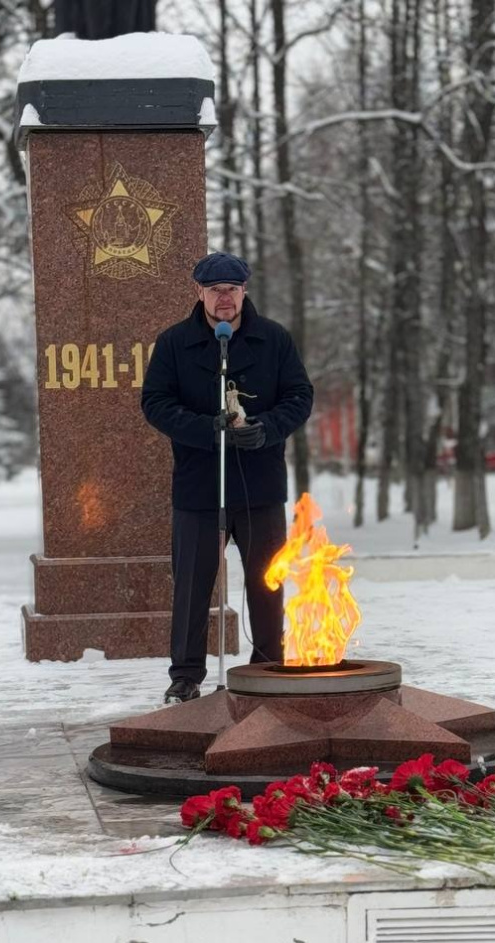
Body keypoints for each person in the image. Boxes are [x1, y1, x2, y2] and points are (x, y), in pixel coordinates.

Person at [141, 252, 313, 703]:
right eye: (214, 290)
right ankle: (186, 674)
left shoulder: (273, 339)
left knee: (266, 581)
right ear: (198, 292)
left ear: (244, 291)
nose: (224, 298)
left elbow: (299, 395)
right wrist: (204, 429)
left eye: (231, 289)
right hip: (200, 486)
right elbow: (155, 402)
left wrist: (268, 429)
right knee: (193, 584)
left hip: (259, 485)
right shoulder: (175, 343)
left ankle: (268, 667)